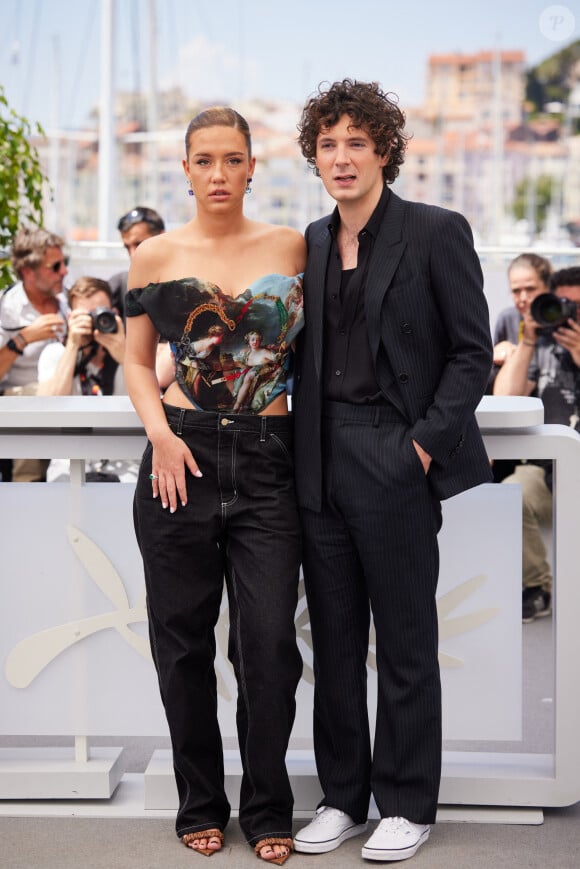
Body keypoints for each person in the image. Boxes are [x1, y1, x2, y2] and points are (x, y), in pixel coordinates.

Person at [292, 79, 493, 863]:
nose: (341, 157)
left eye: (356, 142)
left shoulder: (436, 232)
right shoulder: (306, 242)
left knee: (405, 639)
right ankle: (343, 795)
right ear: (314, 155)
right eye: (328, 143)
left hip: (392, 448)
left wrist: (419, 445)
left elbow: (472, 351)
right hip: (317, 457)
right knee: (334, 641)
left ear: (384, 151)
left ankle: (406, 802)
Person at [123, 107, 306, 864]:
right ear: (186, 168)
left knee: (268, 648)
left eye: (233, 159)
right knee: (182, 646)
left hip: (270, 458)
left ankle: (269, 805)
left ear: (254, 165)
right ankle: (201, 801)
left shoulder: (293, 246)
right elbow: (137, 363)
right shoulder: (153, 256)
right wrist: (160, 434)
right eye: (205, 161)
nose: (220, 174)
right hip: (181, 460)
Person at [494, 265, 580, 622]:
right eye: (562, 305)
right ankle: (537, 587)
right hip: (547, 471)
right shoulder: (539, 345)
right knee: (512, 494)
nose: (569, 316)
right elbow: (505, 399)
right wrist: (528, 341)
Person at [36, 276, 137, 482]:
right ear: (71, 317)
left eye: (100, 313)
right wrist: (73, 345)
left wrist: (124, 355)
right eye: (85, 316)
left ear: (115, 313)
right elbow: (46, 408)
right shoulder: (56, 353)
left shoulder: (133, 355)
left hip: (125, 467)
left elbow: (154, 398)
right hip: (68, 465)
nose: (94, 321)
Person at [0, 226, 69, 481]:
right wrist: (24, 338)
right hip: (18, 404)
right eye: (55, 266)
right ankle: (26, 487)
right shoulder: (7, 309)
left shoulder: (66, 299)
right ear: (28, 272)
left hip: (64, 396)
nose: (64, 271)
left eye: (65, 262)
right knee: (34, 396)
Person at [489, 253, 553, 483]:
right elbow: (501, 391)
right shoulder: (508, 318)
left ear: (548, 286)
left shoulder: (562, 320)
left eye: (531, 289)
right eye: (516, 291)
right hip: (516, 408)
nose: (523, 298)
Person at [108, 206, 165, 316]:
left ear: (162, 237)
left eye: (139, 244)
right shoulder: (119, 285)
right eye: (127, 247)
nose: (132, 254)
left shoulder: (187, 285)